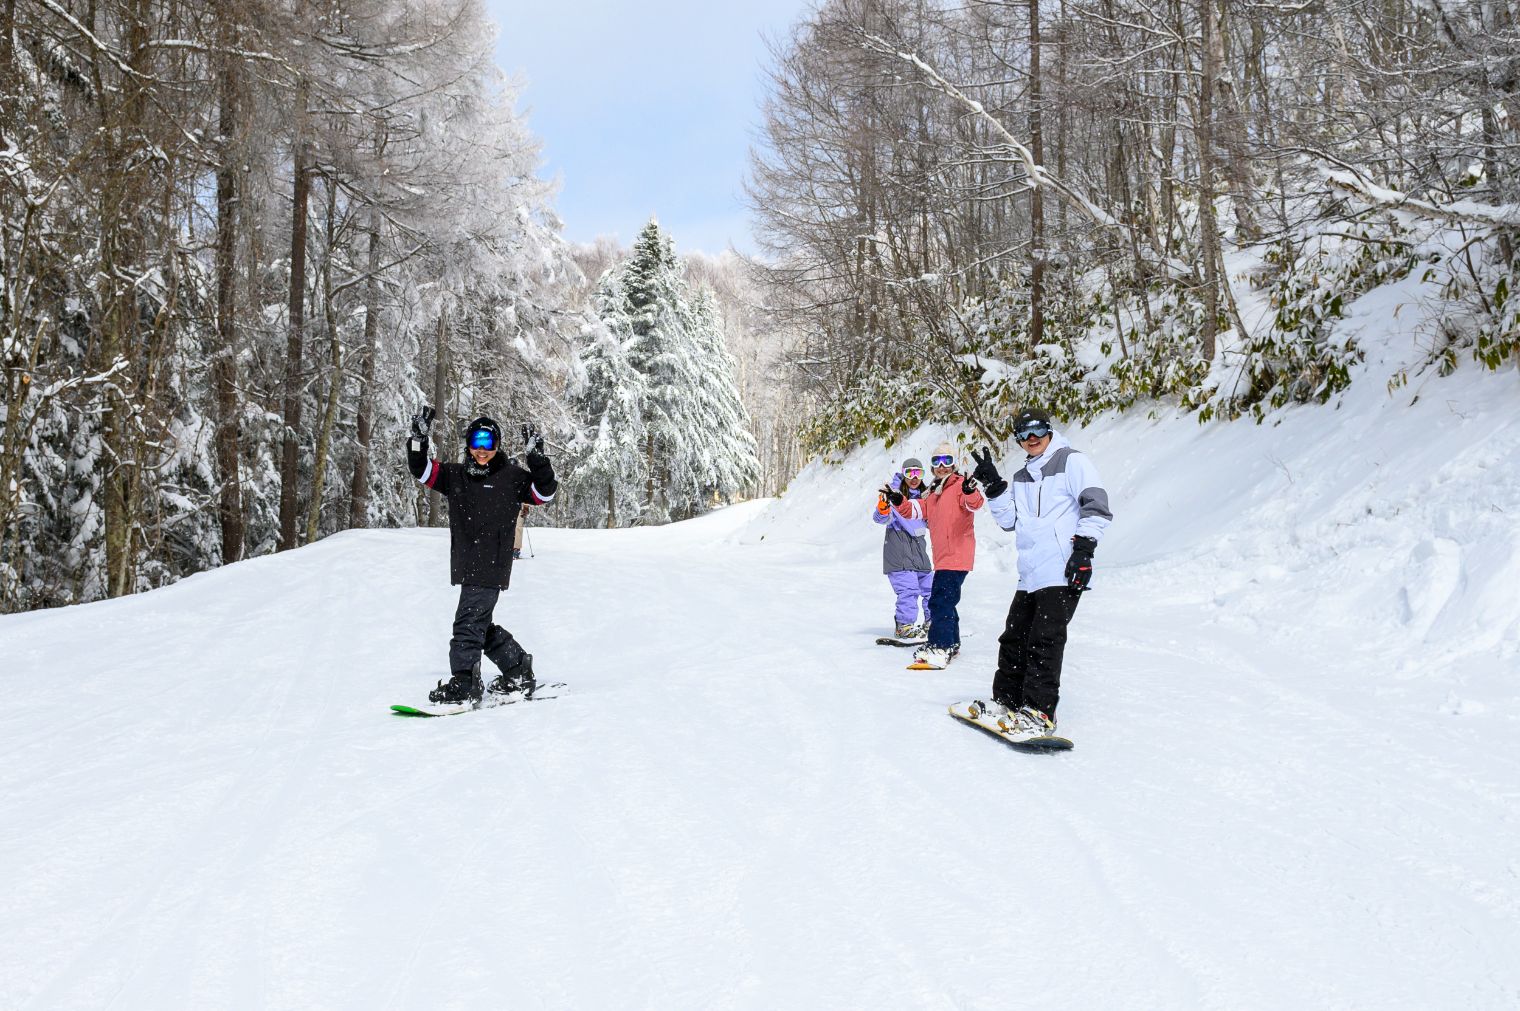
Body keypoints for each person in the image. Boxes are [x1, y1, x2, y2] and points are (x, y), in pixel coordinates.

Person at [966, 408, 1112, 739]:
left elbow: (1096, 504)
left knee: (1044, 642)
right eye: (1023, 434)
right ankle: (1007, 702)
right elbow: (1009, 522)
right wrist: (995, 486)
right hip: (1030, 573)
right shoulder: (1022, 477)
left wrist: (1084, 551)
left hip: (1061, 570)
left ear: (1048, 430)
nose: (1031, 438)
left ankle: (1039, 712)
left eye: (1036, 431)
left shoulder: (1071, 461)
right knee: (1014, 638)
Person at [406, 407, 557, 704]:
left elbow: (545, 492)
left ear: (497, 445)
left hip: (492, 562)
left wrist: (538, 461)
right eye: (476, 443)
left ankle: (464, 682)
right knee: (478, 624)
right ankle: (517, 671)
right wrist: (417, 440)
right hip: (468, 562)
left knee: (467, 624)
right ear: (468, 445)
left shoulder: (512, 477)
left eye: (488, 443)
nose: (482, 450)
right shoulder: (455, 475)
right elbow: (421, 469)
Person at [889, 440, 985, 668]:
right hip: (944, 557)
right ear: (932, 467)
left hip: (957, 555)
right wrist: (899, 501)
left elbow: (975, 504)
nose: (942, 466)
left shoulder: (961, 485)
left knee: (940, 601)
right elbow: (915, 509)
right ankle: (951, 642)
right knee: (946, 601)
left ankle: (939, 646)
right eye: (937, 461)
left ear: (953, 465)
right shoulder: (933, 492)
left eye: (947, 461)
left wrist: (970, 492)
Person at [873, 457, 932, 639]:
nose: (914, 477)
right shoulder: (895, 495)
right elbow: (880, 518)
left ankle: (933, 623)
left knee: (932, 588)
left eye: (918, 473)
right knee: (909, 590)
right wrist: (883, 507)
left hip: (920, 553)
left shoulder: (925, 498)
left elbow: (932, 521)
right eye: (910, 473)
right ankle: (904, 625)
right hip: (898, 552)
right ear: (903, 474)